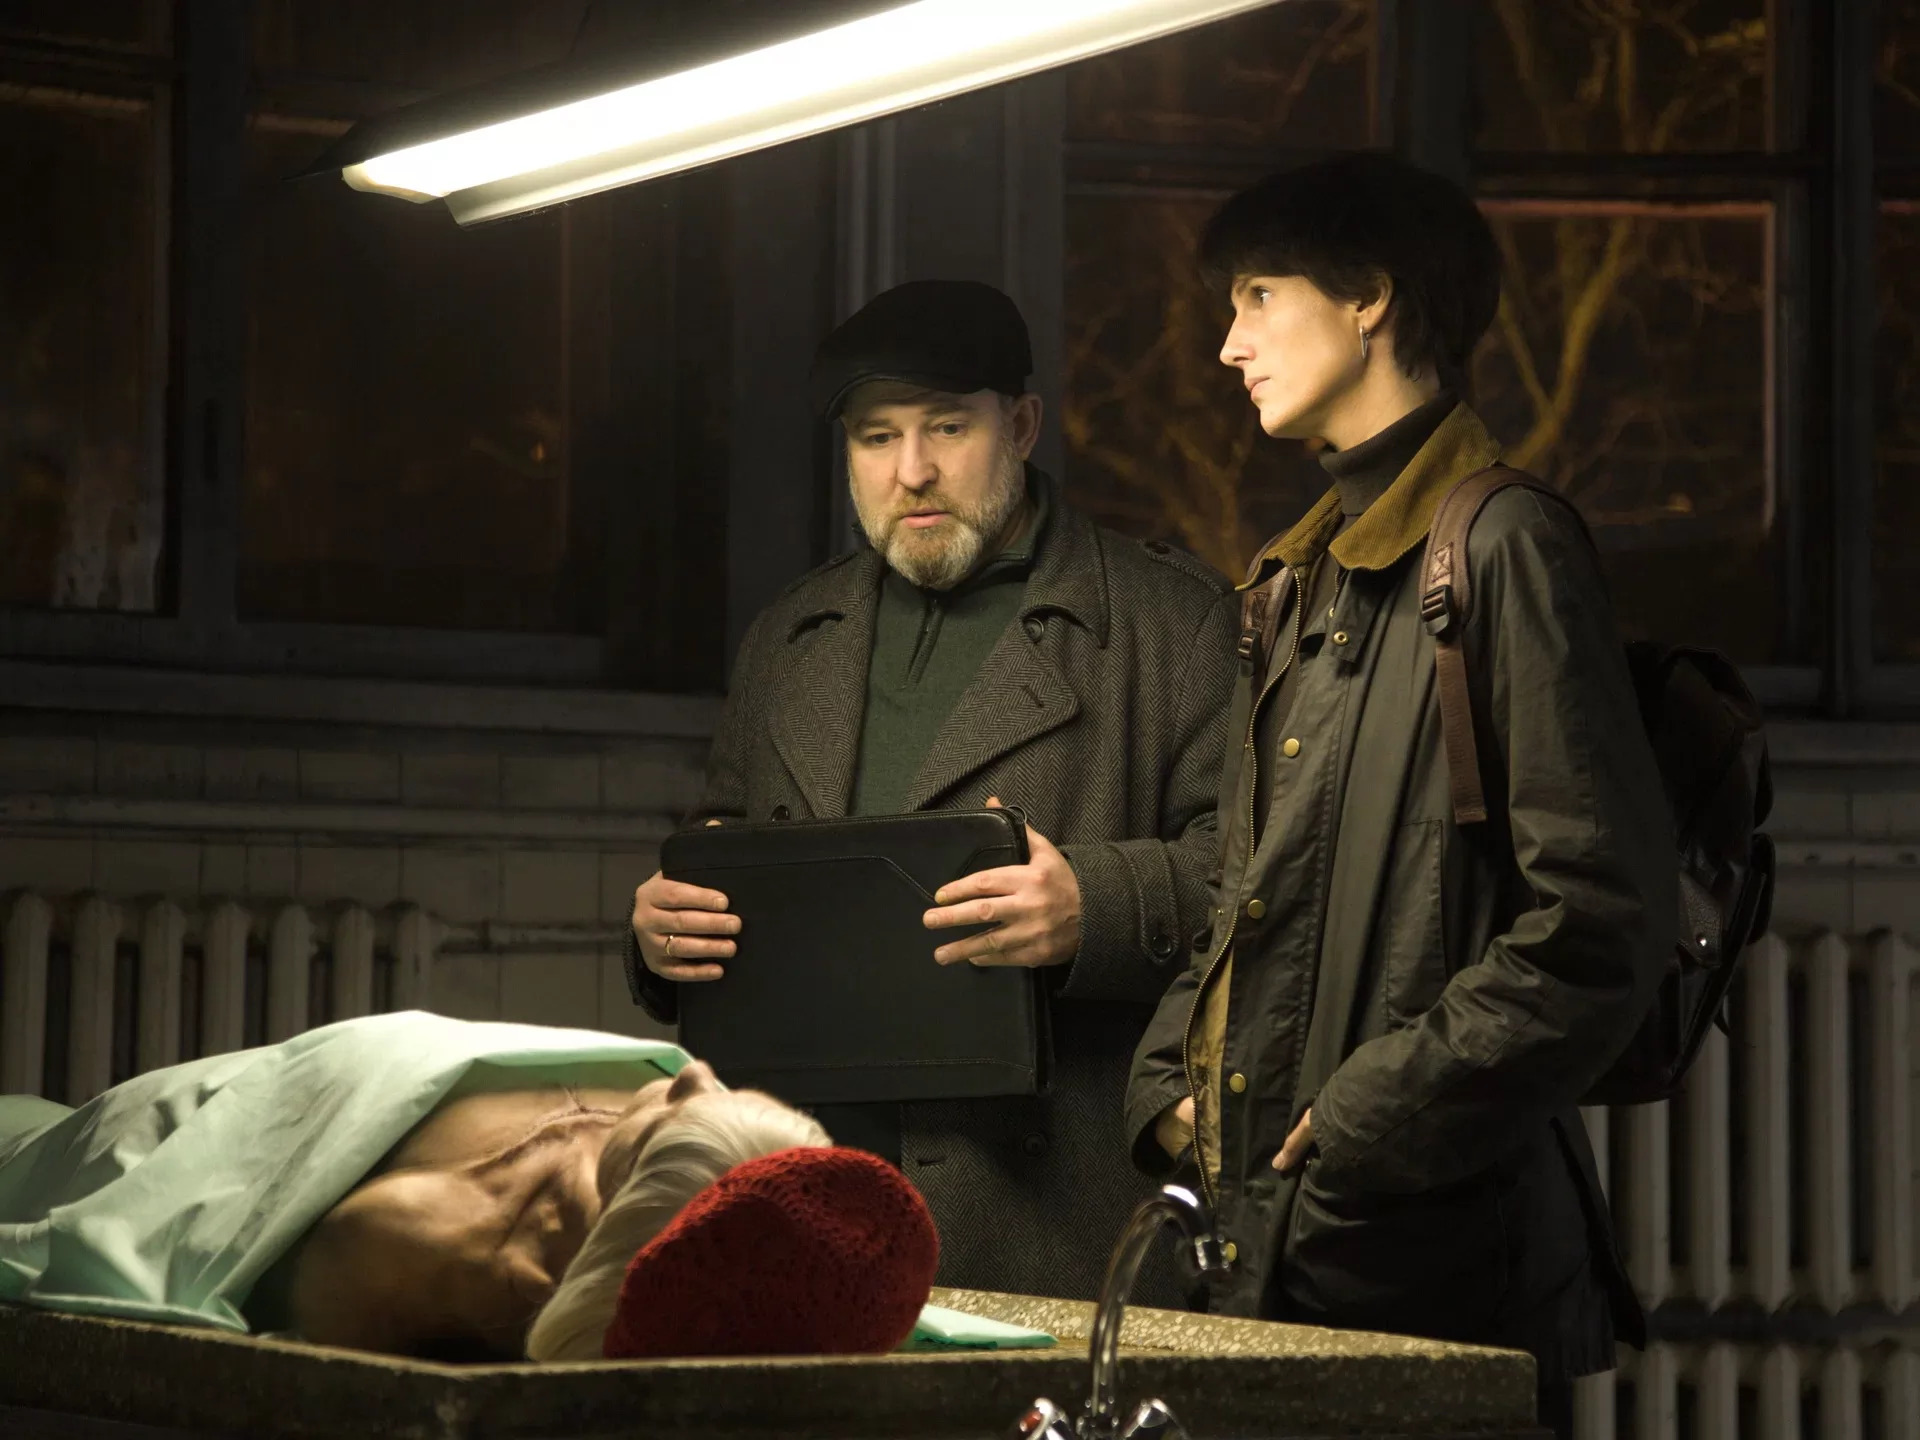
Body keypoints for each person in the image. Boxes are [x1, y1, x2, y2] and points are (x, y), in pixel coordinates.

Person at [1124, 153, 1674, 1437]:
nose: (1228, 344)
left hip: (1423, 1269)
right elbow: (1246, 899)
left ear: (1368, 297)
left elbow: (1600, 922)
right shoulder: (1295, 578)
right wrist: (1166, 1091)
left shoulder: (1503, 545)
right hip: (1269, 1259)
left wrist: (1365, 1117)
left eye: (1260, 297)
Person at [626, 278, 1240, 1304]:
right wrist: (661, 936)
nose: (911, 471)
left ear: (1023, 427)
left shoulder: (1172, 624)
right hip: (808, 1199)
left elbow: (1265, 887)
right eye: (877, 437)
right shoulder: (789, 636)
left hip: (1049, 1218)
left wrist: (1092, 904)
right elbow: (721, 845)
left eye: (948, 428)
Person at [0, 1011, 828, 1359]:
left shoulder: (439, 1242)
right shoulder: (675, 1144)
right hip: (195, 1092)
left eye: (675, 1128)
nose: (696, 1075)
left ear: (636, 1211)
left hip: (144, 1154)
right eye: (719, 1099)